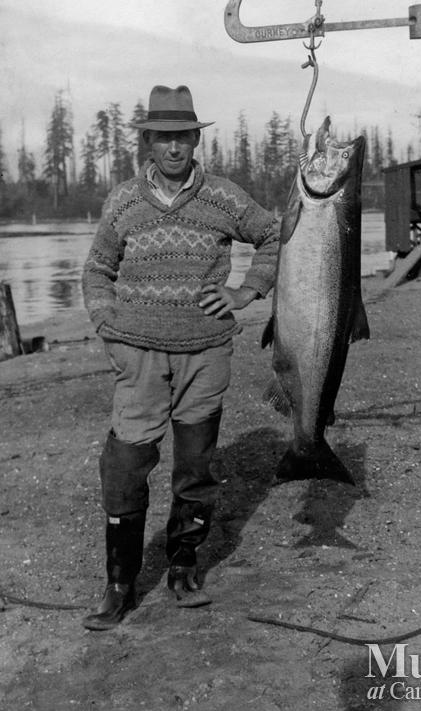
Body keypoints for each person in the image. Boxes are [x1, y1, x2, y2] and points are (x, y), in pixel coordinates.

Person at [81, 85, 279, 631]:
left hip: (205, 355)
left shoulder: (224, 197)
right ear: (148, 142)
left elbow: (274, 237)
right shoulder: (123, 200)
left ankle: (184, 567)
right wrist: (106, 323)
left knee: (195, 467)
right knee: (124, 467)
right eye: (162, 137)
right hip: (139, 357)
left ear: (196, 139)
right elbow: (97, 268)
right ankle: (119, 586)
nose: (173, 148)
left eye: (182, 137)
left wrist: (246, 292)